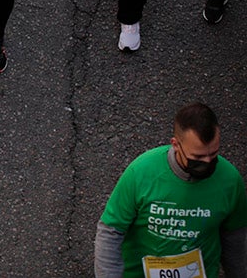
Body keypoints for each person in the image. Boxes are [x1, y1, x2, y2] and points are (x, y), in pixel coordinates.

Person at [94, 102, 247, 278]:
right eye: (197, 157)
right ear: (175, 144)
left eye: (213, 154)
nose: (206, 162)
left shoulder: (230, 180)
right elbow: (111, 231)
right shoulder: (142, 172)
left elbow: (235, 239)